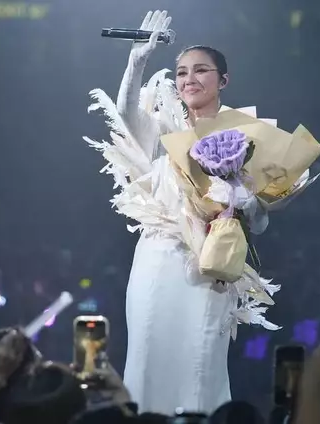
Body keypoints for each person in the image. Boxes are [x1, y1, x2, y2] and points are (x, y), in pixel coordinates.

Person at [83, 10, 284, 415]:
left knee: (200, 362)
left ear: (223, 80)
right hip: (158, 261)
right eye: (181, 72)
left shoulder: (248, 137)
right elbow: (125, 112)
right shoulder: (163, 129)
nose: (189, 78)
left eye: (201, 70)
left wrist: (243, 201)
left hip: (210, 267)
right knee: (148, 355)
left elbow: (260, 223)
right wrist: (137, 61)